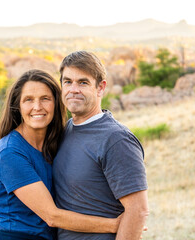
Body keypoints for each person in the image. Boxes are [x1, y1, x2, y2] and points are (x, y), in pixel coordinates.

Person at [0, 69, 122, 240]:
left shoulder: (56, 142)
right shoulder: (9, 153)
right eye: (28, 100)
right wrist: (115, 224)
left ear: (56, 103)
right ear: (18, 106)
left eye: (45, 99)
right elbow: (52, 216)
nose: (37, 107)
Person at [53, 51, 149, 240]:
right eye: (67, 82)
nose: (73, 89)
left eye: (83, 82)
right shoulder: (66, 130)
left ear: (100, 87)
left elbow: (138, 211)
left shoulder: (116, 139)